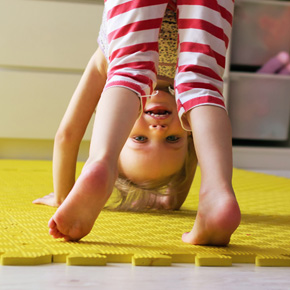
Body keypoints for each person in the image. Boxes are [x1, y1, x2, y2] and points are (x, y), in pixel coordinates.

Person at [34, 0, 241, 246]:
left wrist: (63, 195)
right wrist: (64, 192)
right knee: (179, 80)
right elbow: (66, 136)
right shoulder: (106, 61)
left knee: (200, 82)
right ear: (191, 136)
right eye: (172, 139)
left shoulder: (107, 61)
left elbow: (66, 136)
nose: (158, 129)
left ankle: (217, 191)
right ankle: (215, 191)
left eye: (140, 139)